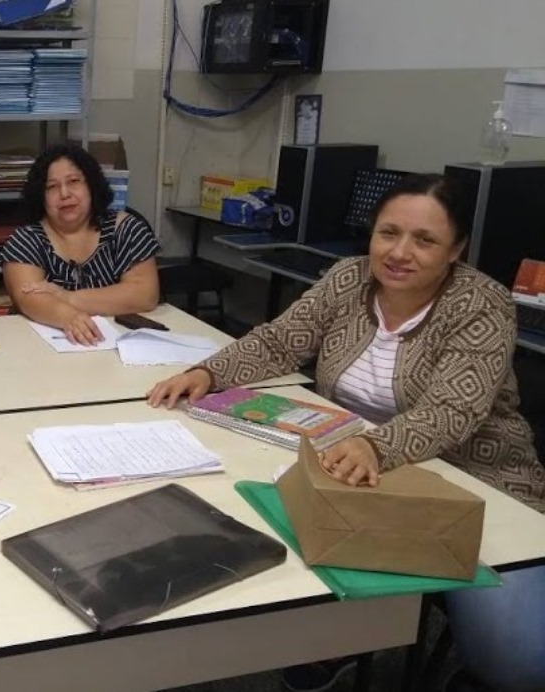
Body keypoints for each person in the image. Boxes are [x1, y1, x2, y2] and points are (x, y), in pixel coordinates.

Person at [147, 173, 545, 692]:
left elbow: (453, 410)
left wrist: (375, 446)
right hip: (353, 469)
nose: (400, 252)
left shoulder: (480, 304)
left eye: (424, 240)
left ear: (456, 249)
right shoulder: (348, 278)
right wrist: (209, 373)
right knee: (261, 541)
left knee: (515, 663)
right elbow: (278, 342)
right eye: (388, 233)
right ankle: (343, 637)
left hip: (476, 476)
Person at [0, 143, 160, 346]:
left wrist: (67, 297)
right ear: (41, 197)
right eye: (52, 187)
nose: (64, 193)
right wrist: (67, 317)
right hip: (44, 350)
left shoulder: (126, 229)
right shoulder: (26, 240)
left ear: (91, 185)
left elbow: (144, 295)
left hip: (119, 345)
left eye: (73, 181)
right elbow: (29, 298)